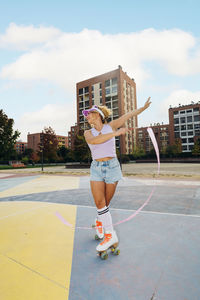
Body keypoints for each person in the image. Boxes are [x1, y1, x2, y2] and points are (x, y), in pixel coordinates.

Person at [82, 97, 151, 253]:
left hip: (112, 167)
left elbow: (128, 115)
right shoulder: (88, 133)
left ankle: (99, 221)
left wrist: (143, 108)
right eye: (86, 114)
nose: (86, 116)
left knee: (105, 203)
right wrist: (117, 134)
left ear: (98, 114)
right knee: (100, 202)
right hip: (96, 168)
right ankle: (110, 235)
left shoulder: (111, 126)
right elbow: (95, 142)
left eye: (89, 113)